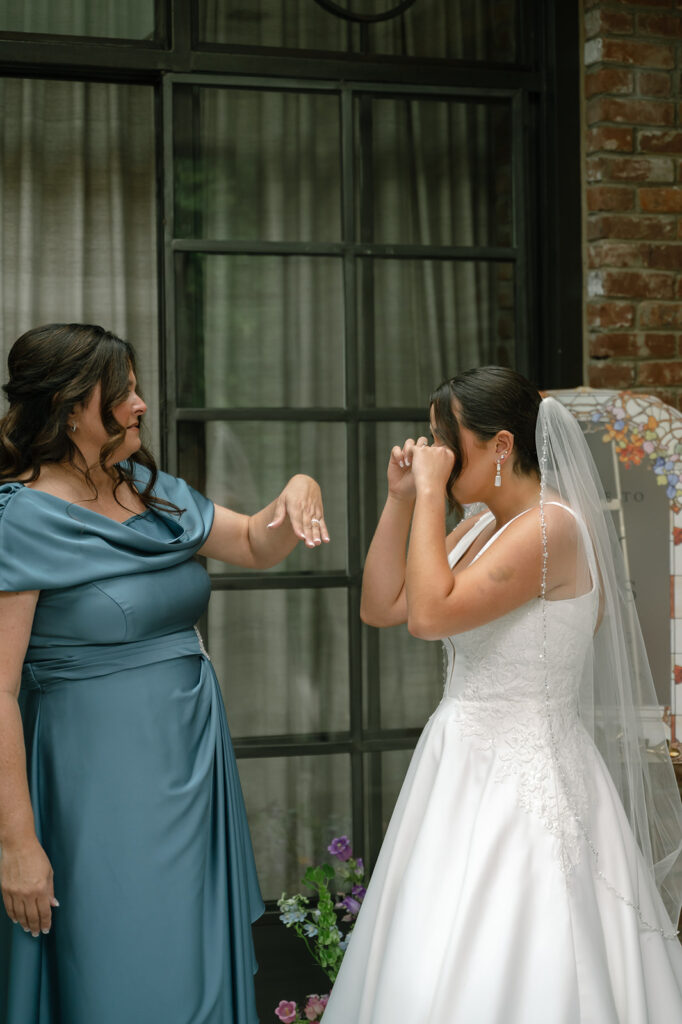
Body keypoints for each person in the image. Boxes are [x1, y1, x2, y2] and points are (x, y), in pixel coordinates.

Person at [322, 366, 682, 1023]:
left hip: (527, 776)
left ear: (500, 446)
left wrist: (432, 497)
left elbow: (431, 616)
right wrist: (403, 498)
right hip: (457, 762)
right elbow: (384, 606)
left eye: (444, 440)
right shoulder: (482, 526)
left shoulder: (553, 531)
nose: (432, 453)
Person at [0, 323, 330, 1024]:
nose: (140, 404)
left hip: (190, 771)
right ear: (68, 407)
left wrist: (296, 490)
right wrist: (18, 844)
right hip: (96, 792)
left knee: (191, 968)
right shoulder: (18, 520)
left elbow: (251, 542)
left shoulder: (152, 489)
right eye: (122, 392)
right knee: (119, 969)